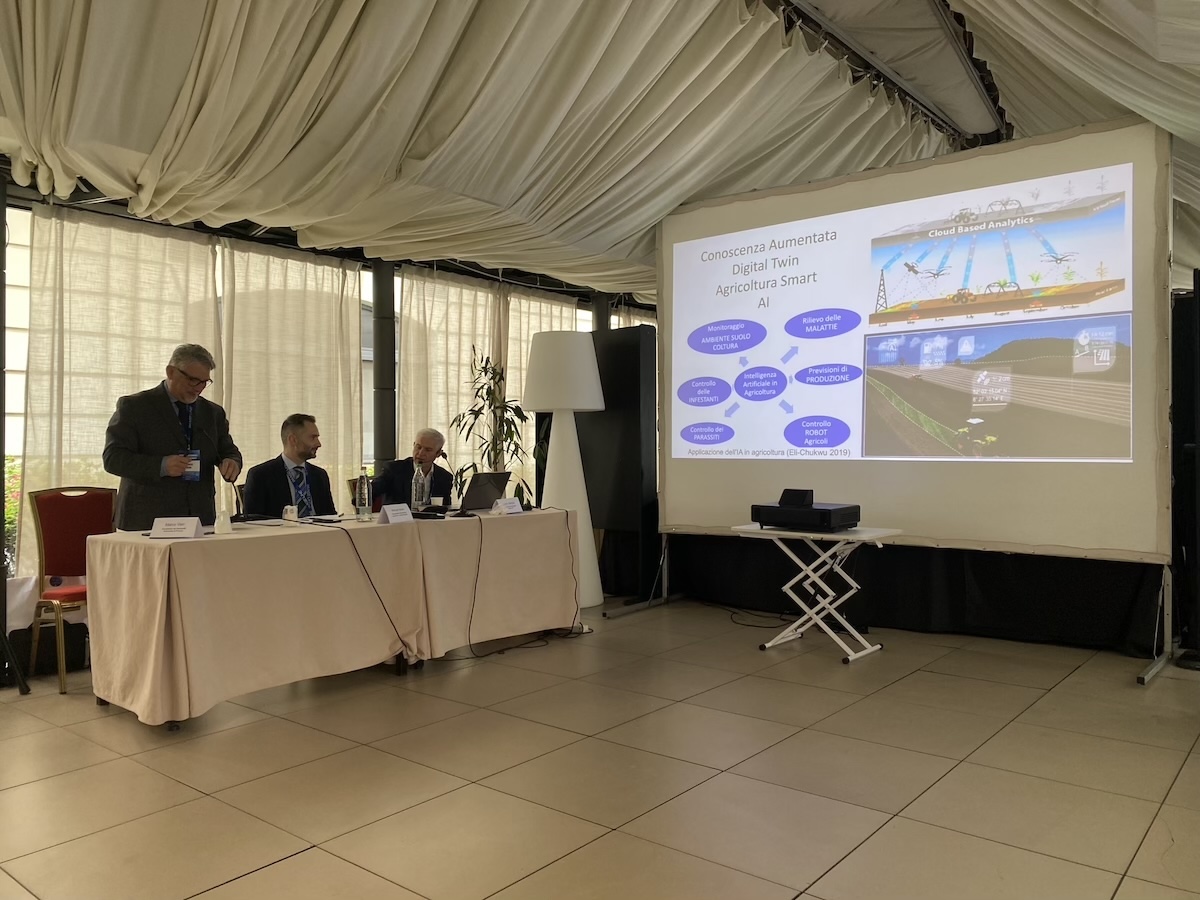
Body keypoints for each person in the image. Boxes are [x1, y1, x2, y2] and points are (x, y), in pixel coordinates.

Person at [103, 343, 242, 531]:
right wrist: (162, 465)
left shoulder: (212, 413)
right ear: (171, 372)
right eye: (193, 380)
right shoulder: (135, 407)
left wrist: (231, 462)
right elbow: (113, 459)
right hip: (147, 519)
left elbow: (228, 451)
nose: (199, 388)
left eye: (204, 382)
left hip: (199, 519)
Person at [242, 414, 337, 519]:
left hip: (319, 529)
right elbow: (253, 521)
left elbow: (331, 516)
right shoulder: (260, 475)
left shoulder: (319, 475)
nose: (319, 444)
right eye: (313, 438)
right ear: (293, 440)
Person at [372, 427, 454, 507]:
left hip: (430, 516)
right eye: (418, 447)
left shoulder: (444, 477)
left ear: (438, 453)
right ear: (414, 445)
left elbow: (446, 508)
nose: (420, 453)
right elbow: (371, 491)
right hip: (399, 516)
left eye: (428, 450)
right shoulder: (394, 469)